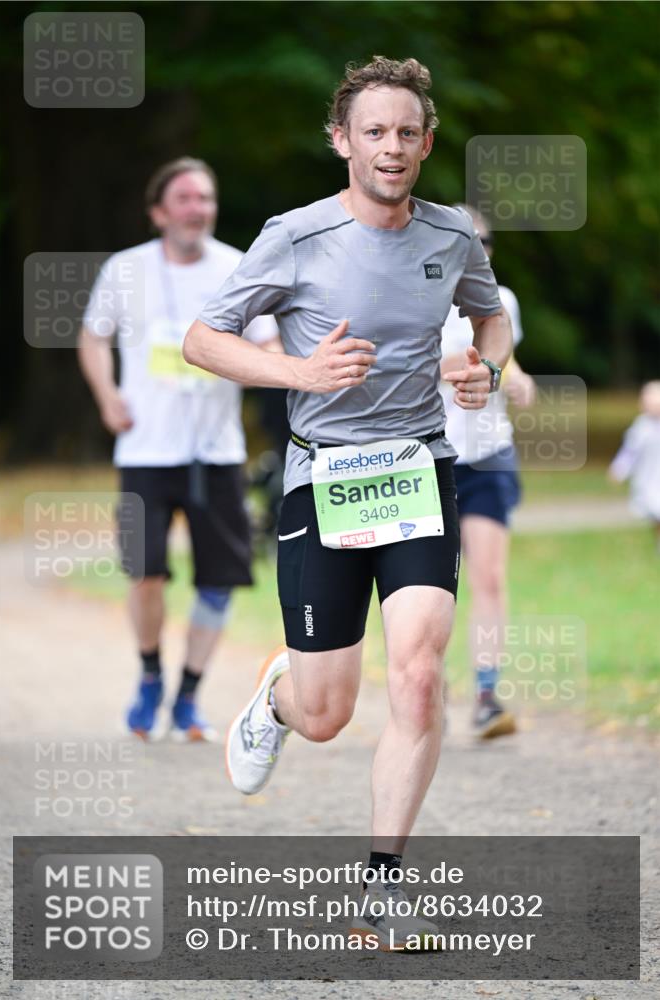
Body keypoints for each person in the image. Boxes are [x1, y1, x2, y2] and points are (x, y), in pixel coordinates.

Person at [184, 57, 512, 948]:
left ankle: (382, 885)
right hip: (321, 478)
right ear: (342, 141)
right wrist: (297, 371)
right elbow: (201, 339)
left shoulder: (451, 237)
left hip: (418, 471)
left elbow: (492, 318)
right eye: (374, 131)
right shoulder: (293, 236)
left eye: (407, 131)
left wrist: (484, 367)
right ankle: (281, 697)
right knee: (327, 716)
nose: (392, 146)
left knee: (416, 672)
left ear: (427, 141)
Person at [78, 157, 278, 741]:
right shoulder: (125, 269)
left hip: (217, 452)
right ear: (159, 211)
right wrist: (107, 395)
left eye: (207, 199)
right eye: (186, 199)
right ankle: (148, 677)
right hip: (144, 448)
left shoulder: (237, 267)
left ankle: (189, 696)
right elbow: (93, 336)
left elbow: (268, 345)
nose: (199, 209)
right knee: (145, 574)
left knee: (219, 579)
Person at [440, 206, 536, 738]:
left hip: (490, 452)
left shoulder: (503, 302)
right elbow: (398, 368)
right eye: (467, 239)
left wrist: (518, 379)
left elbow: (508, 357)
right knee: (432, 587)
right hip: (429, 460)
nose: (478, 248)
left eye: (486, 240)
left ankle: (485, 695)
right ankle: (425, 688)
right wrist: (463, 367)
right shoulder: (418, 299)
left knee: (490, 578)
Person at [609, 381, 660, 551]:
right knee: (654, 511)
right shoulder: (641, 427)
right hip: (648, 477)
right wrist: (619, 469)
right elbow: (629, 452)